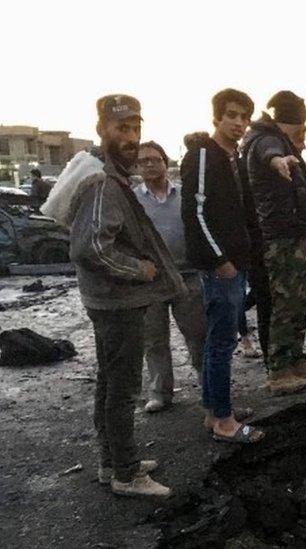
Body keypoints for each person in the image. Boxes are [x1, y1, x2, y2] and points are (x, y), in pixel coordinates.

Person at [67, 94, 185, 497]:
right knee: (122, 389)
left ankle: (112, 460)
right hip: (117, 301)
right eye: (122, 128)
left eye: (135, 128)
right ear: (102, 130)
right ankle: (127, 473)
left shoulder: (112, 175)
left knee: (108, 382)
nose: (131, 137)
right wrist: (140, 270)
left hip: (109, 300)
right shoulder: (103, 181)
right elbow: (92, 248)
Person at [181, 89, 265, 442]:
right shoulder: (203, 155)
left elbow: (244, 211)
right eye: (232, 115)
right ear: (217, 116)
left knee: (221, 339)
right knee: (221, 342)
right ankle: (224, 422)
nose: (239, 123)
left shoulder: (234, 157)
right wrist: (219, 260)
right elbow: (195, 213)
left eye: (244, 117)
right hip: (221, 266)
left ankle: (214, 408)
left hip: (236, 260)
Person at [242, 91, 306, 392]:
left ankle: (296, 360)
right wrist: (278, 161)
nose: (303, 133)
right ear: (287, 121)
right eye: (300, 127)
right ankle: (280, 370)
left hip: (292, 236)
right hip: (279, 238)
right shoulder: (268, 139)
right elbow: (270, 155)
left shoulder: (275, 138)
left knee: (297, 303)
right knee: (285, 304)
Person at [134, 141, 206, 414]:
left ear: (166, 162)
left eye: (155, 159)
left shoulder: (185, 195)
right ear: (137, 167)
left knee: (198, 334)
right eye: (143, 161)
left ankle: (208, 387)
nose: (150, 164)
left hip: (186, 275)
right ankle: (160, 392)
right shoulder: (132, 200)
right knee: (154, 339)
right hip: (150, 281)